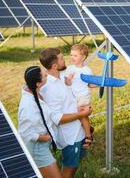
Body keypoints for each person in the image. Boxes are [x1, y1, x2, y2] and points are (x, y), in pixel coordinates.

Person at [18, 66, 92, 178]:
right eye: (44, 75)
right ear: (38, 83)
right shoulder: (28, 105)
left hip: (43, 143)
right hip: (37, 147)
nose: (47, 75)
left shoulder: (36, 92)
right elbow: (24, 132)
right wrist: (45, 138)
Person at [39, 48, 91, 178]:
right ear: (54, 65)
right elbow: (57, 118)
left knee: (74, 167)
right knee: (69, 169)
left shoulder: (63, 76)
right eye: (61, 58)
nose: (65, 60)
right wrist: (81, 115)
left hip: (78, 130)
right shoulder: (49, 88)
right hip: (70, 136)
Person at [64, 44, 96, 148]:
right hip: (73, 97)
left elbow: (90, 84)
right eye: (71, 55)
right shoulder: (69, 69)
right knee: (80, 116)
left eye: (75, 55)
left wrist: (100, 83)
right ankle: (89, 128)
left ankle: (88, 136)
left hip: (83, 96)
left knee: (81, 114)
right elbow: (67, 84)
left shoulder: (87, 70)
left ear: (83, 57)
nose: (72, 57)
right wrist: (68, 79)